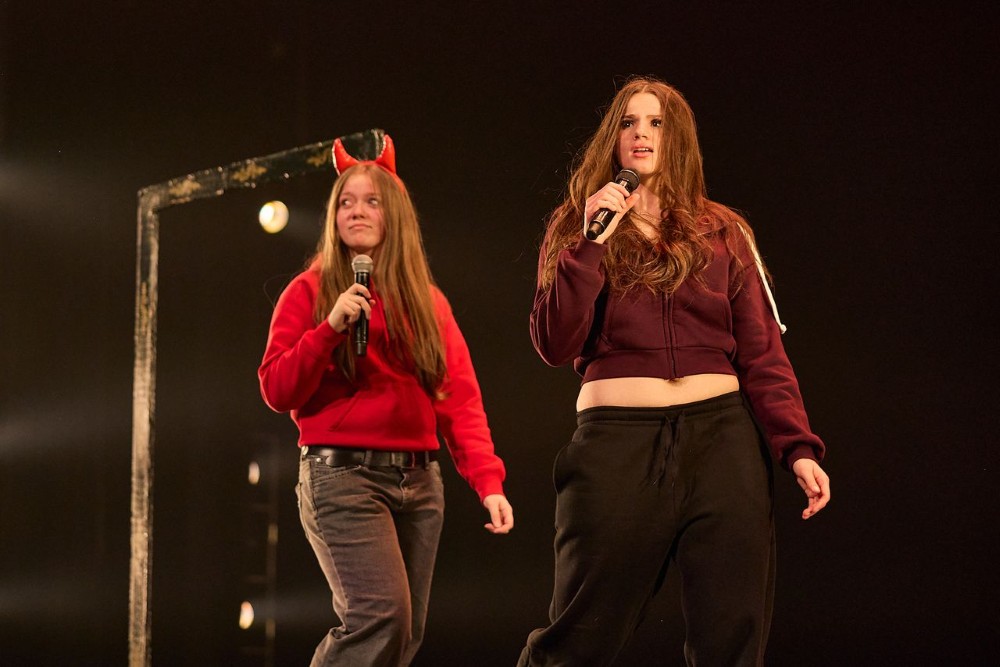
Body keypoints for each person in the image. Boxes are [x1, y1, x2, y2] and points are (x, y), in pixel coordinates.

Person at [517, 76, 830, 666]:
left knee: (731, 635)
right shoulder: (578, 223)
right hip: (617, 442)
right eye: (629, 123)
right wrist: (590, 244)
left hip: (721, 440)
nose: (641, 134)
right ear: (613, 138)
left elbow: (762, 351)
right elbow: (554, 343)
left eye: (656, 123)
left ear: (677, 137)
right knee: (580, 637)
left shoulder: (724, 230)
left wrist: (797, 446)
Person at [258, 135, 514, 667]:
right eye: (346, 202)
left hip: (419, 482)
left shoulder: (427, 300)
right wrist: (330, 328)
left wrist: (488, 482)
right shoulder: (308, 291)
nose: (356, 211)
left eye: (371, 201)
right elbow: (277, 390)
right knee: (380, 616)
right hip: (343, 477)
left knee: (403, 635)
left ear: (393, 213)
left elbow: (459, 397)